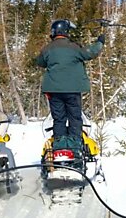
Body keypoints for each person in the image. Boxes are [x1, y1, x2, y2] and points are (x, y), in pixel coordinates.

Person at [36, 19, 105, 153]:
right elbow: (90, 53)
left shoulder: (47, 49)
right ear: (66, 32)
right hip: (73, 90)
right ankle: (74, 147)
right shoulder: (74, 47)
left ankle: (59, 146)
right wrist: (100, 42)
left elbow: (40, 62)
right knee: (74, 117)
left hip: (53, 91)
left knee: (59, 118)